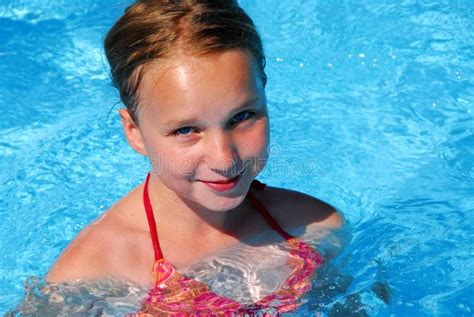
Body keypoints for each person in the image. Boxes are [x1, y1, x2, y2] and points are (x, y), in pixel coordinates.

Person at [46, 0, 343, 314]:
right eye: (186, 129)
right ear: (134, 131)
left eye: (242, 116)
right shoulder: (89, 276)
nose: (224, 159)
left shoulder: (314, 228)